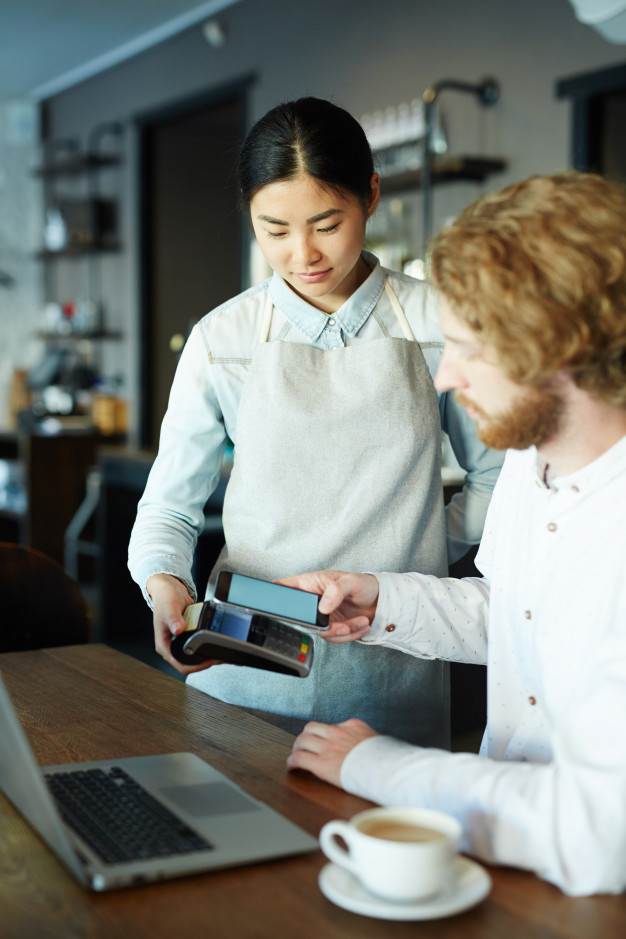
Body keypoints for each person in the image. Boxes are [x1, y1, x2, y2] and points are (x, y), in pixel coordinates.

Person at [285, 171, 626, 896]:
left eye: (468, 346)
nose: (445, 375)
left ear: (556, 347)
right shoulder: (536, 458)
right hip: (502, 864)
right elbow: (513, 610)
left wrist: (377, 765)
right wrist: (382, 600)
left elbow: (597, 835)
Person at [128, 96, 502, 745]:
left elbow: (497, 474)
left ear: (371, 195)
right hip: (244, 657)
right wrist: (165, 584)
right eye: (274, 229)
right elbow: (169, 506)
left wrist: (416, 545)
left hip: (394, 662)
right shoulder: (223, 336)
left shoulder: (440, 320)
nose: (303, 252)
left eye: (327, 222)